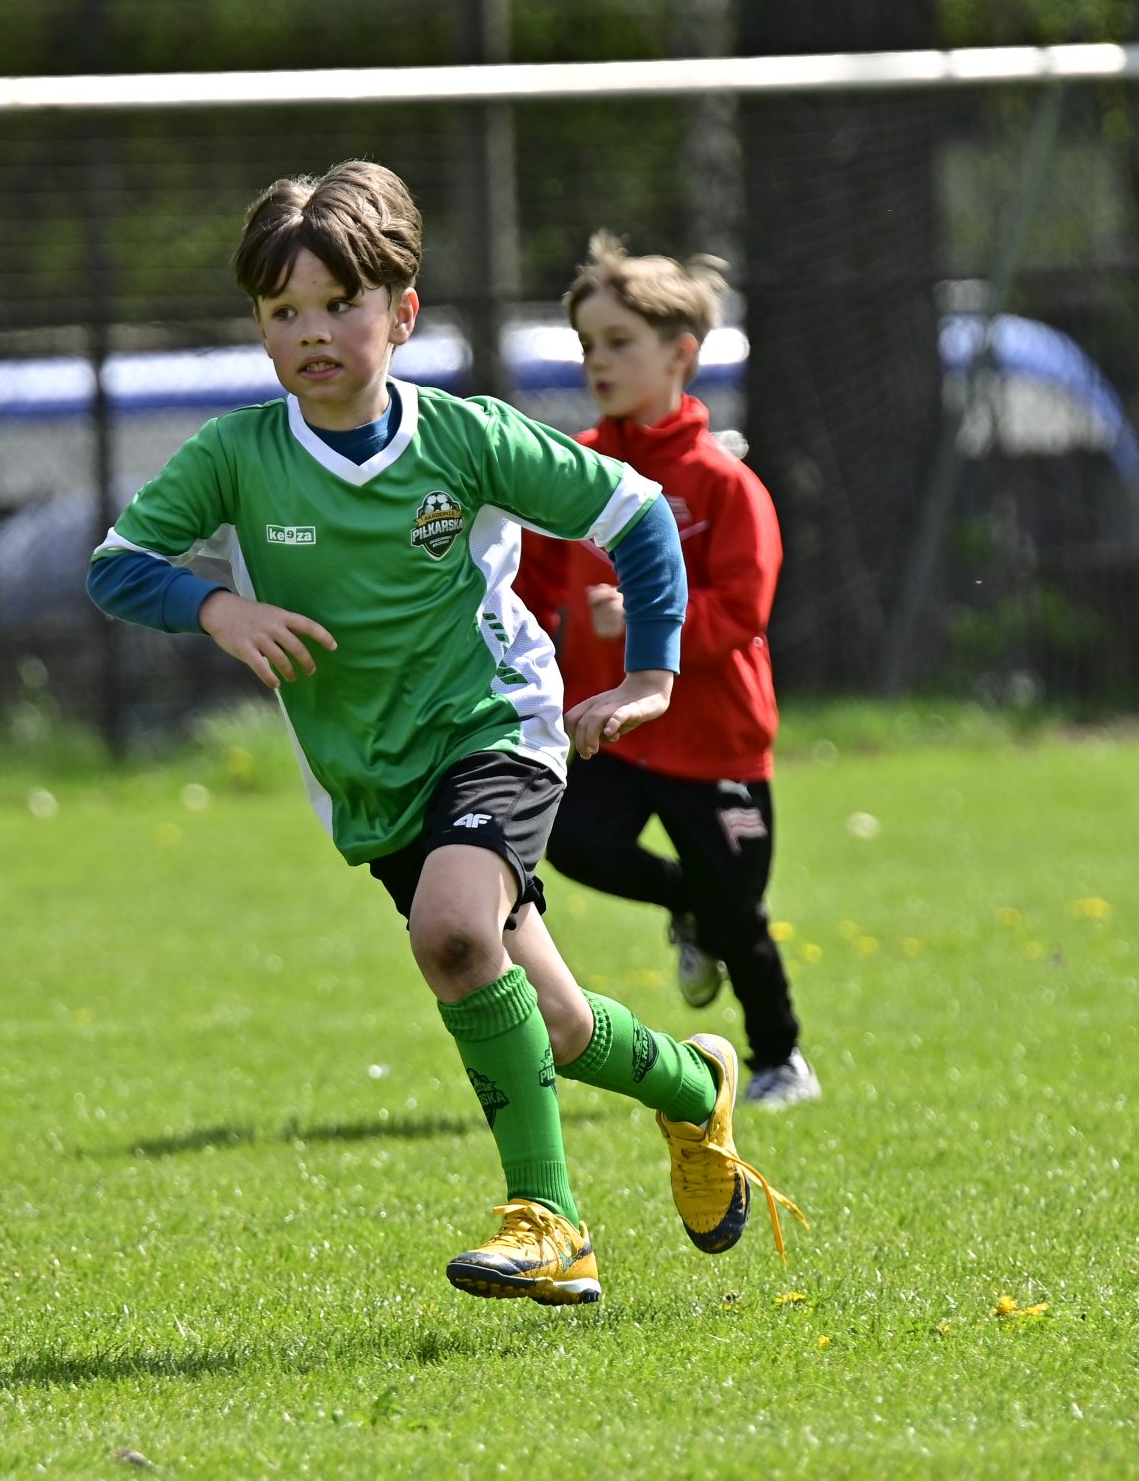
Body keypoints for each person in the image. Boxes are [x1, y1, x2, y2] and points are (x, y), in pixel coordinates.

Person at [86, 164, 801, 1306]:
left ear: (402, 313)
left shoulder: (464, 440)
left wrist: (651, 675)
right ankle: (688, 1085)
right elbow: (118, 567)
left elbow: (636, 519)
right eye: (283, 311)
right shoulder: (234, 455)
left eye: (340, 304)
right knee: (555, 1023)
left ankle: (550, 1225)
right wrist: (216, 606)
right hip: (371, 778)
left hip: (495, 724)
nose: (312, 332)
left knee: (454, 936)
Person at [515, 232, 817, 1109]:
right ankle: (687, 902)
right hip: (609, 726)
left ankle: (781, 1059)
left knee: (739, 914)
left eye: (619, 342)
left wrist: (652, 621)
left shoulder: (724, 482)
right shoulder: (574, 469)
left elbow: (744, 610)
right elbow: (531, 584)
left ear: (680, 354)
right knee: (573, 839)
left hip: (714, 738)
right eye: (587, 344)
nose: (597, 361)